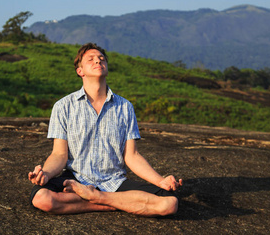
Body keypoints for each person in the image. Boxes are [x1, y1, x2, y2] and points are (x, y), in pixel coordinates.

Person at [28, 43, 182, 216]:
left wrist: (160, 181)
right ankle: (115, 203)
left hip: (114, 182)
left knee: (170, 203)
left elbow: (131, 156)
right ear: (80, 71)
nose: (98, 61)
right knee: (42, 198)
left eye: (101, 59)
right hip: (75, 179)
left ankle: (97, 197)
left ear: (107, 68)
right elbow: (59, 155)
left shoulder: (125, 107)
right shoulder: (63, 106)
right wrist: (46, 174)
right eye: (90, 59)